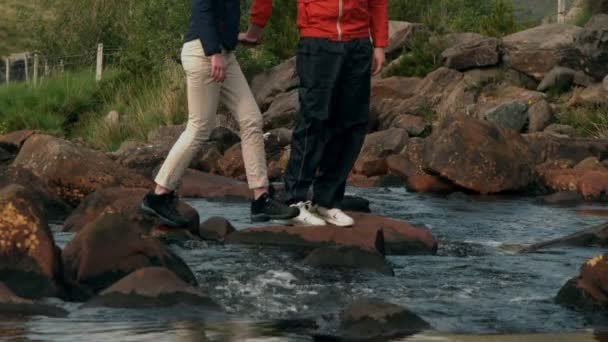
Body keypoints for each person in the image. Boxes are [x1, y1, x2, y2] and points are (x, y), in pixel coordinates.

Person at [141, 0, 300, 227]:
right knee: (199, 128)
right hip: (204, 53)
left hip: (224, 53)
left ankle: (261, 198)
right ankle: (158, 195)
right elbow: (202, 9)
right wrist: (214, 52)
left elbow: (224, 13)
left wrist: (236, 37)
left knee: (251, 120)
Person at [240, 0, 388, 227]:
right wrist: (257, 25)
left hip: (358, 43)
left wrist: (379, 43)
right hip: (318, 41)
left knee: (352, 125)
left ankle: (326, 201)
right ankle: (295, 202)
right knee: (313, 122)